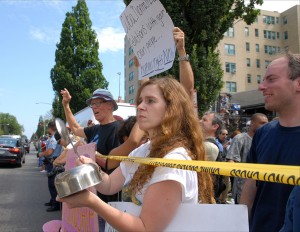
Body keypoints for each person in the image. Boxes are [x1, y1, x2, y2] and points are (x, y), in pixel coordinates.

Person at [58, 77, 214, 231]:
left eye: (150, 101)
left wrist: (91, 201)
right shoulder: (143, 150)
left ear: (172, 109)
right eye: (140, 101)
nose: (140, 106)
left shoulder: (173, 160)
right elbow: (110, 184)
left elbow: (145, 228)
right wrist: (92, 169)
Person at [240, 53, 300, 232]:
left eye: (271, 79)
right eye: (262, 80)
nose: (261, 86)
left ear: (298, 83)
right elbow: (251, 185)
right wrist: (241, 223)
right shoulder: (263, 133)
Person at [226, 113, 268, 204]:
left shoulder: (267, 140)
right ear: (252, 123)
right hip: (242, 187)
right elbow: (231, 160)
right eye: (262, 123)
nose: (265, 126)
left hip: (262, 186)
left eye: (266, 123)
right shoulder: (240, 139)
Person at [199, 111, 226, 202]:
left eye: (204, 120)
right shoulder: (204, 144)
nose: (200, 121)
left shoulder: (209, 147)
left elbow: (205, 178)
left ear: (215, 126)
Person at [38, 122, 62, 212]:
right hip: (53, 162)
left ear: (49, 128)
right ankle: (53, 200)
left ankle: (55, 204)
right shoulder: (55, 137)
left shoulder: (54, 138)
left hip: (53, 162)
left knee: (52, 184)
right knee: (53, 183)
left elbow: (49, 152)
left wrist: (41, 154)